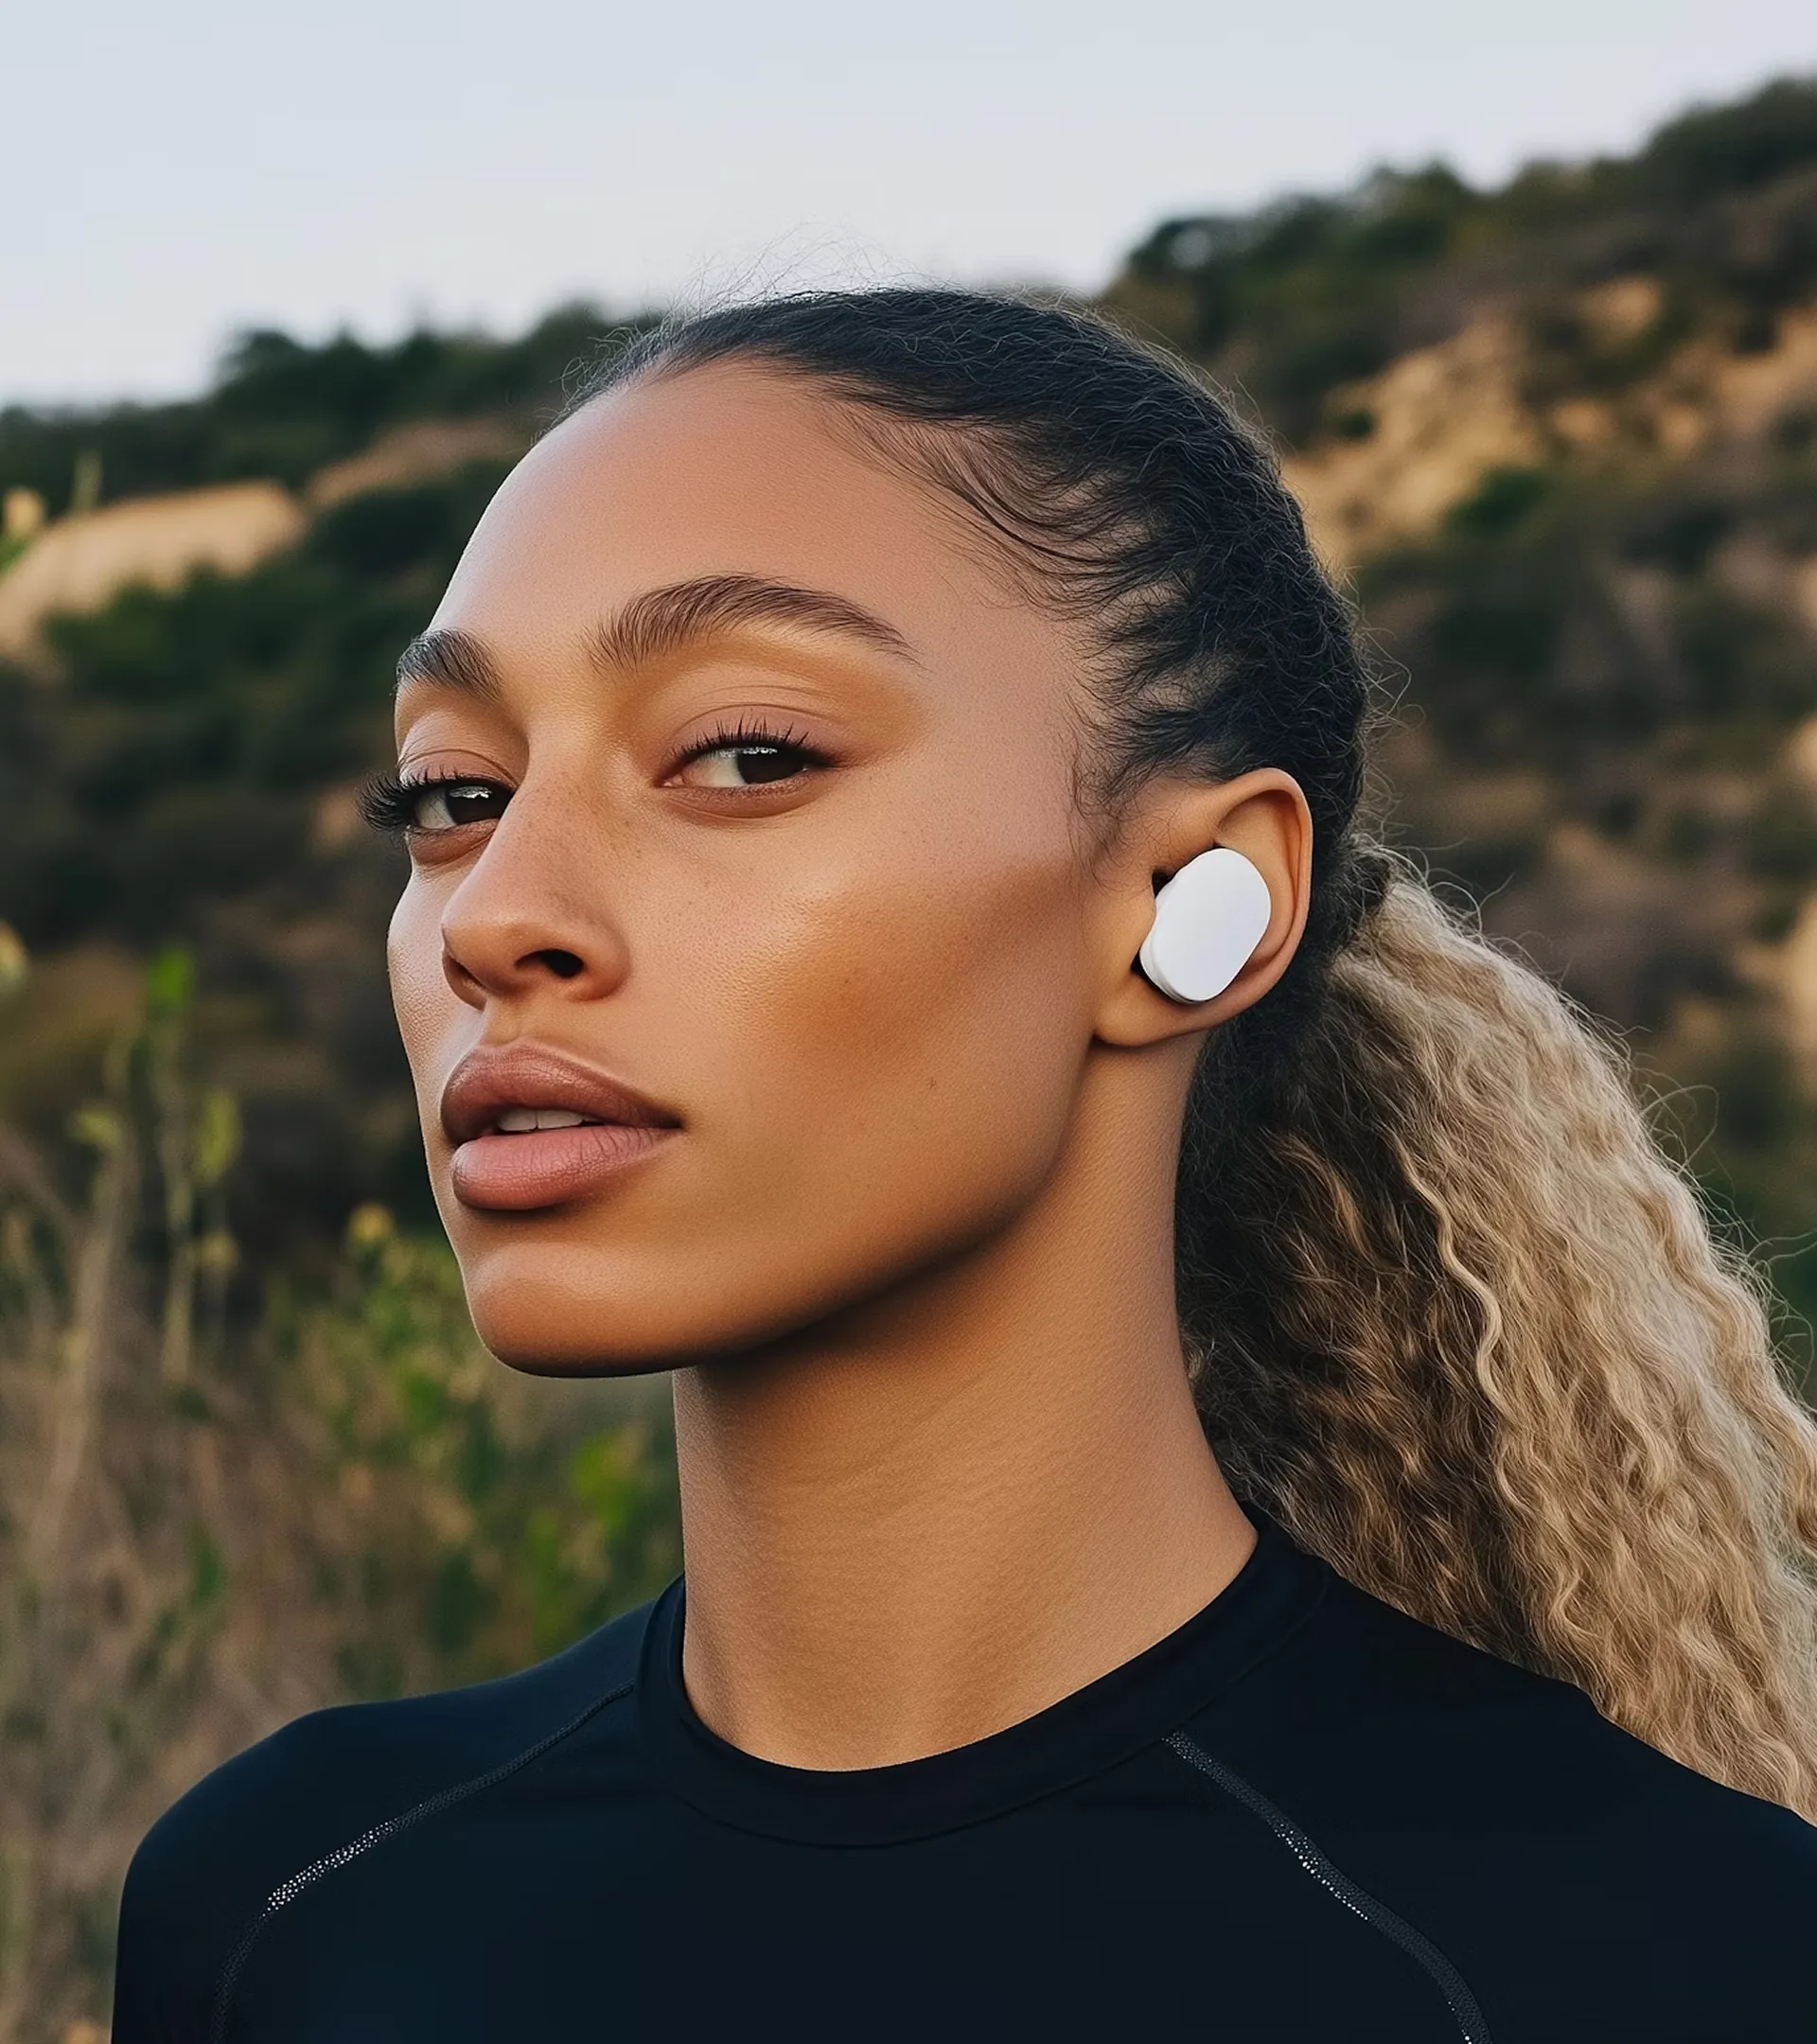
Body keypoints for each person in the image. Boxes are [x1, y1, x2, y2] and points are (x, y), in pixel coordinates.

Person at [113, 289, 1817, 2042]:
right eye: (451, 797)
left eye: (745, 756)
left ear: (1195, 905)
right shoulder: (282, 1904)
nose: (495, 915)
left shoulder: (1657, 1964)